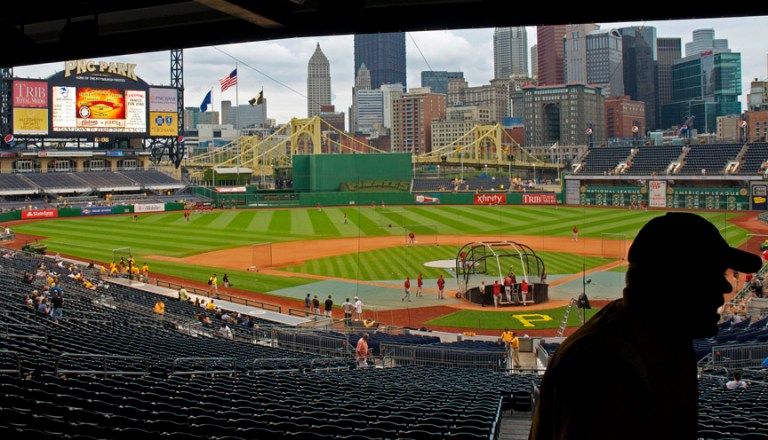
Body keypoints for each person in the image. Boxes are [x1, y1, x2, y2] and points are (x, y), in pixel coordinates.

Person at [529, 212, 763, 440]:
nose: (725, 287)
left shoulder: (664, 339)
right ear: (675, 281)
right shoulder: (605, 366)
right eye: (713, 274)